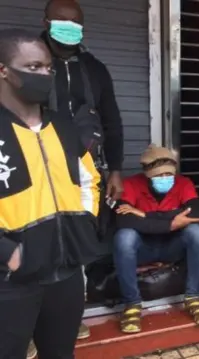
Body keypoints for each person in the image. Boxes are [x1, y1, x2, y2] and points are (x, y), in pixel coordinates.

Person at [0, 28, 101, 359]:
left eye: (47, 67)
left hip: (65, 272)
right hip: (10, 280)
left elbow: (88, 179)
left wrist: (85, 222)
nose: (44, 74)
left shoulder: (62, 125)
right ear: (4, 71)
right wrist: (7, 253)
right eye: (32, 68)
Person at [43, 0, 125, 340]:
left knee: (77, 243)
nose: (68, 27)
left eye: (75, 22)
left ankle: (69, 317)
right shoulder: (30, 61)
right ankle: (35, 323)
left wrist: (116, 171)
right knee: (39, 241)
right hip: (39, 168)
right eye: (61, 21)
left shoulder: (94, 68)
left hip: (85, 172)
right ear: (46, 21)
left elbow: (112, 122)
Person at [112, 145, 199, 333]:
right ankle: (132, 304)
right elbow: (123, 219)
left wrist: (143, 215)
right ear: (147, 174)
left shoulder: (183, 183)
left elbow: (196, 213)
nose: (165, 179)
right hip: (144, 248)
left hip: (172, 247)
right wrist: (171, 222)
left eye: (168, 175)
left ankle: (193, 297)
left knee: (196, 232)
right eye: (159, 175)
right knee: (124, 237)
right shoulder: (132, 184)